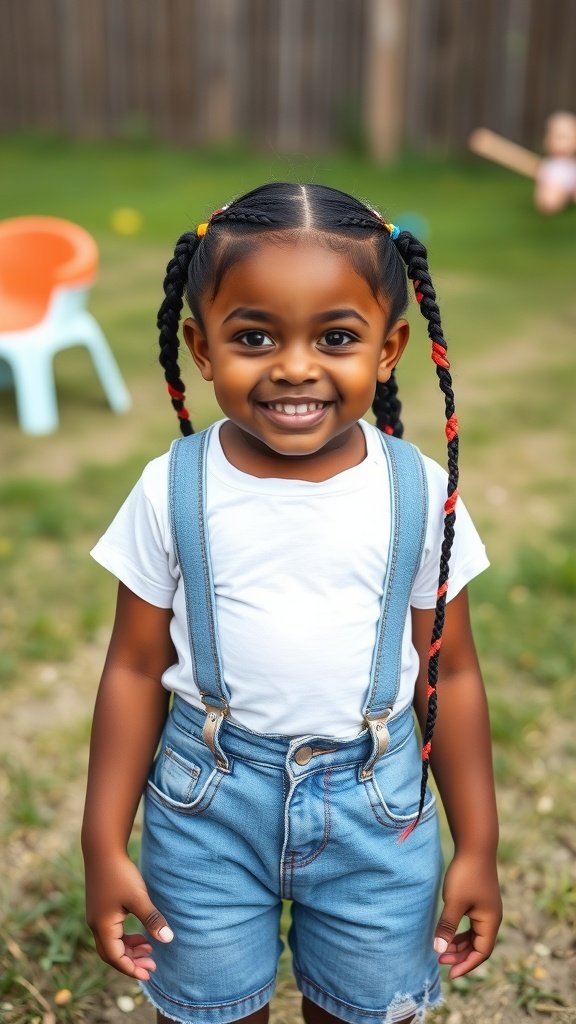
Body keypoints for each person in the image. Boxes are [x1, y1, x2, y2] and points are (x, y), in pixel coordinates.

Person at [82, 183, 502, 1024]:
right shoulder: (174, 488)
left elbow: (448, 673)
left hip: (377, 819)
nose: (295, 365)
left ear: (389, 350)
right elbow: (132, 667)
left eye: (337, 337)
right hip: (206, 811)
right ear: (201, 348)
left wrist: (478, 845)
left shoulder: (417, 492)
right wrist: (102, 839)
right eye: (255, 336)